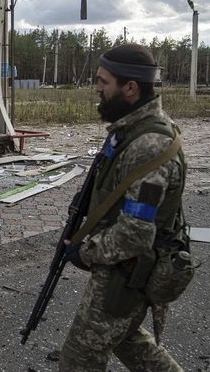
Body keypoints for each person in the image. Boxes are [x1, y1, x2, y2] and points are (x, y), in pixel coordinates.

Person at [59, 44, 190, 370]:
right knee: (129, 342)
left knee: (79, 359)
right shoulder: (133, 128)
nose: (97, 88)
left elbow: (135, 234)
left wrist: (85, 251)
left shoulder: (148, 145)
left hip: (127, 271)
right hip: (122, 268)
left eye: (104, 82)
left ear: (130, 88)